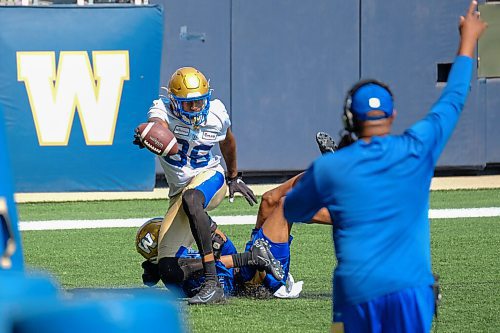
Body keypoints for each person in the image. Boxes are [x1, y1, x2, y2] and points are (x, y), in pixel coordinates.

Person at [283, 3, 487, 332]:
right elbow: (453, 98)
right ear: (392, 116)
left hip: (357, 293)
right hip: (411, 289)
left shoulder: (331, 168)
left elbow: (292, 208)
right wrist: (467, 41)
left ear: (349, 120)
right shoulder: (417, 148)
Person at [134, 67, 258, 304]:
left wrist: (233, 176)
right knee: (169, 271)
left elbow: (228, 141)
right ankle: (248, 257)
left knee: (193, 198)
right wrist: (151, 134)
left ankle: (213, 283)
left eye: (199, 102)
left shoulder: (217, 113)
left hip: (211, 178)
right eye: (188, 104)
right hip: (179, 192)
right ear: (173, 101)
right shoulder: (162, 109)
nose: (195, 108)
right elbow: (155, 123)